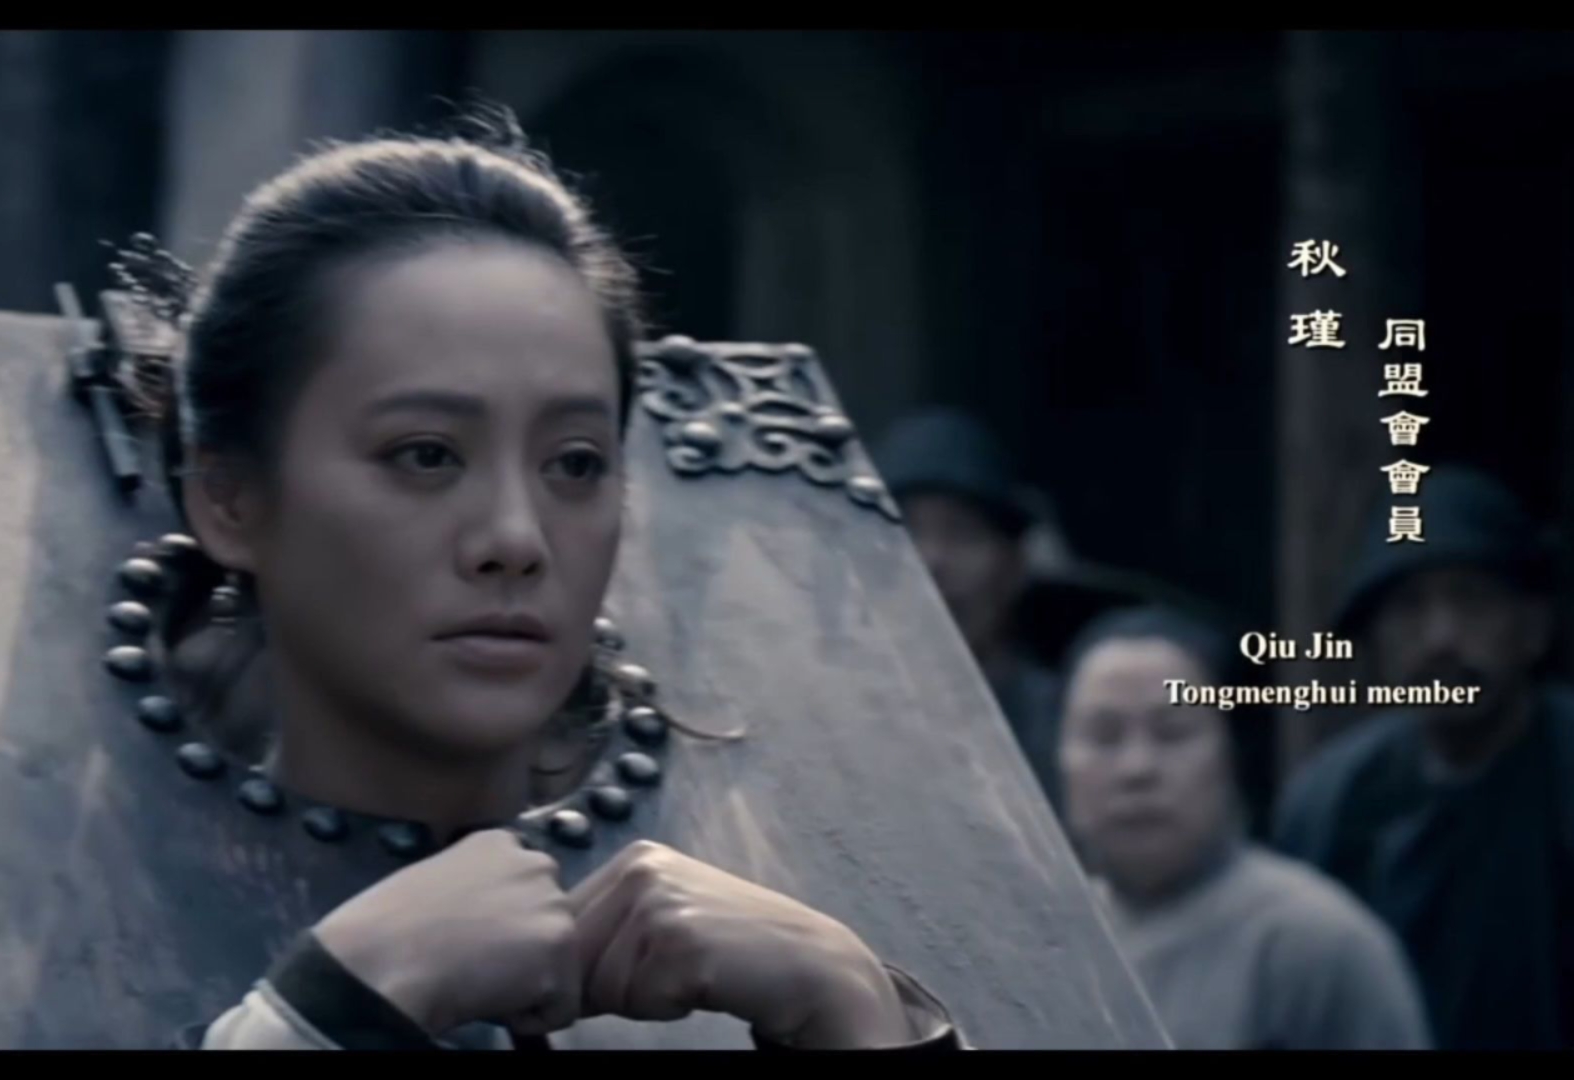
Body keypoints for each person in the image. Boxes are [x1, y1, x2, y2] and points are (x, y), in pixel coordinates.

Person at [132, 111, 962, 1051]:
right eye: (426, 454)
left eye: (574, 463)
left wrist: (850, 1007)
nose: (517, 539)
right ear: (231, 499)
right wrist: (326, 1014)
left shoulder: (734, 988)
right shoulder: (45, 919)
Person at [1274, 466, 1574, 1050]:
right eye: (1410, 607)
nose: (1441, 637)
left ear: (1533, 627)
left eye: (1471, 600)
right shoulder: (1329, 804)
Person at [1059, 606, 1430, 1050]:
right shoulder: (1042, 938)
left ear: (1229, 751)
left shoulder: (1317, 945)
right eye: (1104, 736)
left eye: (1172, 732)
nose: (1137, 768)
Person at [874, 408, 1063, 804]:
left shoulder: (1066, 727)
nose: (933, 560)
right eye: (905, 532)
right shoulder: (824, 714)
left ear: (1014, 566)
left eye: (962, 532)